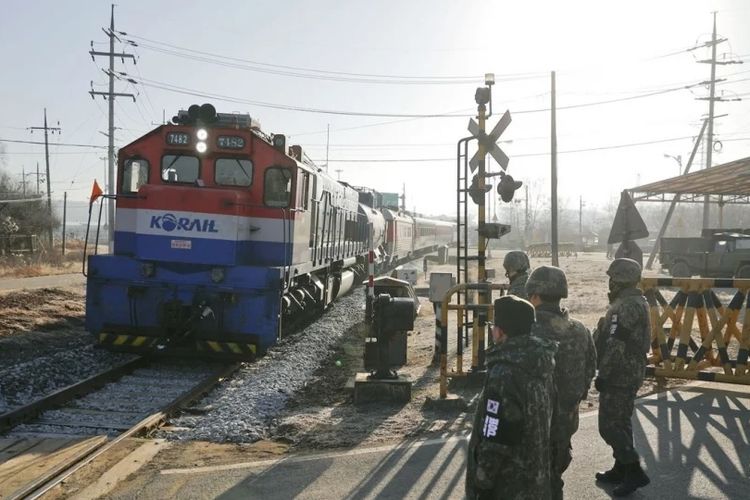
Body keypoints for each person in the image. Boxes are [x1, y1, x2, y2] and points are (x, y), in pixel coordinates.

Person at [466, 295, 557, 500]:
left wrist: (483, 483)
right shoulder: (541, 364)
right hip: (536, 481)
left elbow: (495, 436)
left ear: (500, 331)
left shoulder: (504, 373)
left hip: (508, 486)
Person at [526, 265, 597, 500]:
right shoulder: (579, 330)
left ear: (534, 295)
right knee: (554, 477)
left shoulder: (526, 329)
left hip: (530, 425)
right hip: (565, 421)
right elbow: (590, 367)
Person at [593, 258, 651, 496]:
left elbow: (616, 343)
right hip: (629, 370)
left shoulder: (627, 306)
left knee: (610, 425)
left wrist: (603, 374)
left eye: (613, 277)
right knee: (621, 421)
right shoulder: (635, 301)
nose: (610, 282)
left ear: (619, 279)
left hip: (621, 373)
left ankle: (634, 470)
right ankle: (621, 468)